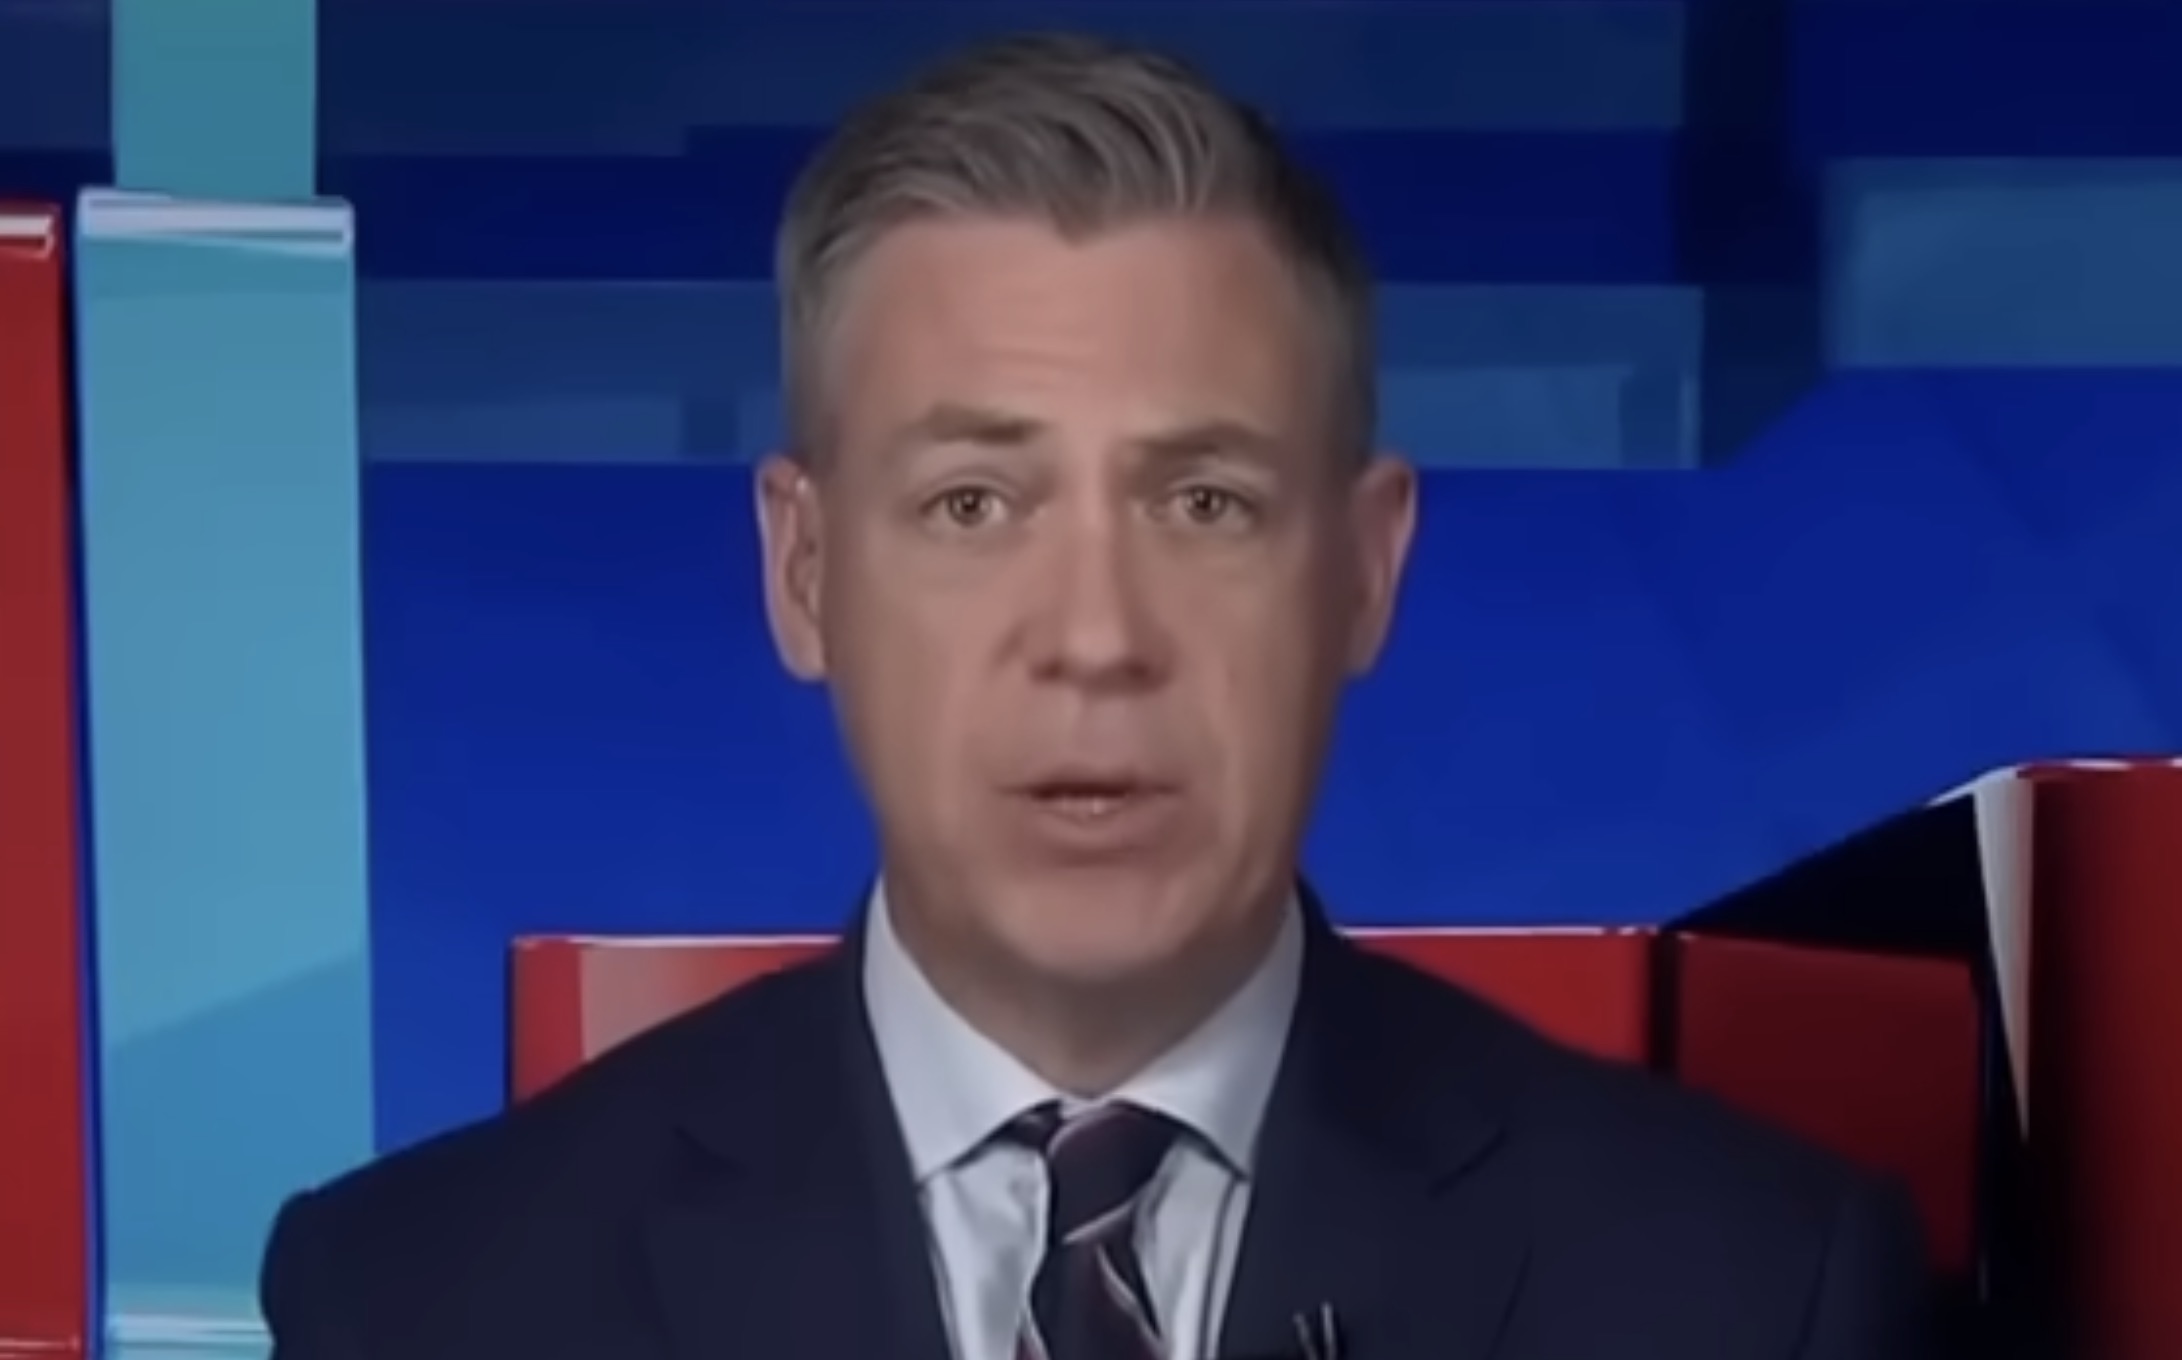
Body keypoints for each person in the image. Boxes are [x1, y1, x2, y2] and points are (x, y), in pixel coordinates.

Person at [261, 31, 1934, 1360]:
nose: (1093, 635)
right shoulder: (424, 1302)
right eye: (970, 504)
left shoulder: (1748, 1295)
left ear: (1364, 571)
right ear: (803, 571)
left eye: (1203, 501)